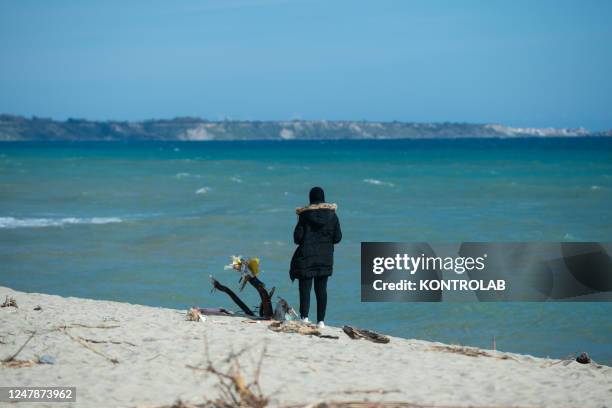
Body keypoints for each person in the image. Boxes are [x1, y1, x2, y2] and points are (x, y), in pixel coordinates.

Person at [290, 186, 342, 328]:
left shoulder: (304, 216)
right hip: (325, 257)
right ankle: (321, 321)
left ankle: (305, 318)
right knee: (322, 289)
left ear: (310, 199)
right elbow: (338, 238)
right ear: (323, 198)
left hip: (306, 256)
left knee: (305, 288)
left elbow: (297, 238)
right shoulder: (333, 216)